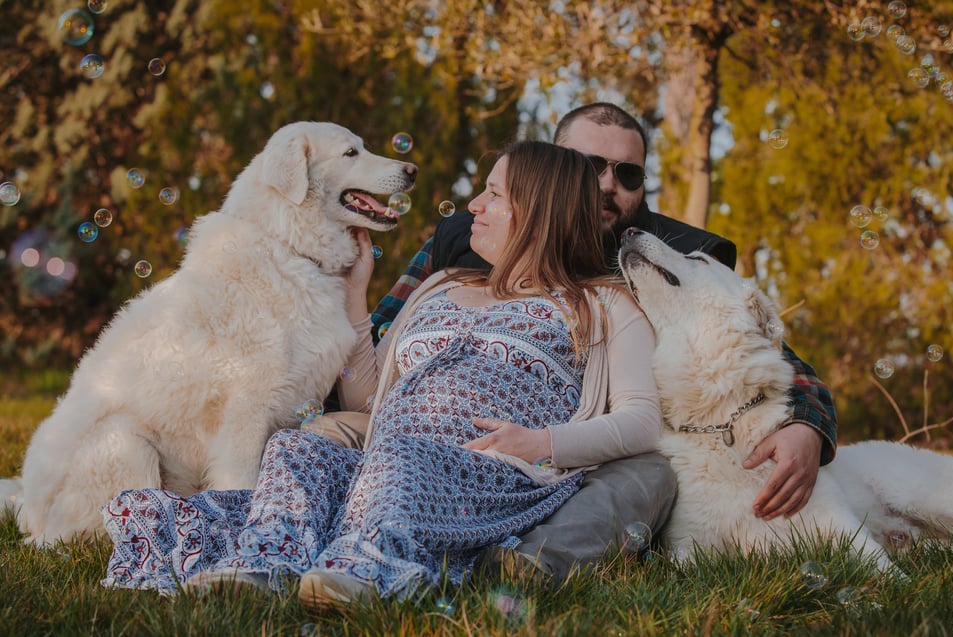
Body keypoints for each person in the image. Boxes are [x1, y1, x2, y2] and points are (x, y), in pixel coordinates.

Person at [100, 141, 662, 608]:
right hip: (384, 465)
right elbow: (370, 398)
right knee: (298, 450)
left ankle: (371, 569)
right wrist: (355, 297)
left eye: (493, 193)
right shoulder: (443, 285)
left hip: (492, 475)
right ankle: (263, 566)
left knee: (402, 455)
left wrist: (543, 443)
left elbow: (642, 419)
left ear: (539, 209)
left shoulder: (601, 303)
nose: (475, 205)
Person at [369, 103, 838, 585]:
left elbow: (758, 351)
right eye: (591, 166)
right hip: (440, 437)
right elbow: (377, 337)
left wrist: (806, 423)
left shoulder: (665, 253)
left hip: (588, 454)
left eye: (628, 173)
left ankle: (527, 566)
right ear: (546, 167)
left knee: (652, 472)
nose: (608, 184)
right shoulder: (465, 235)